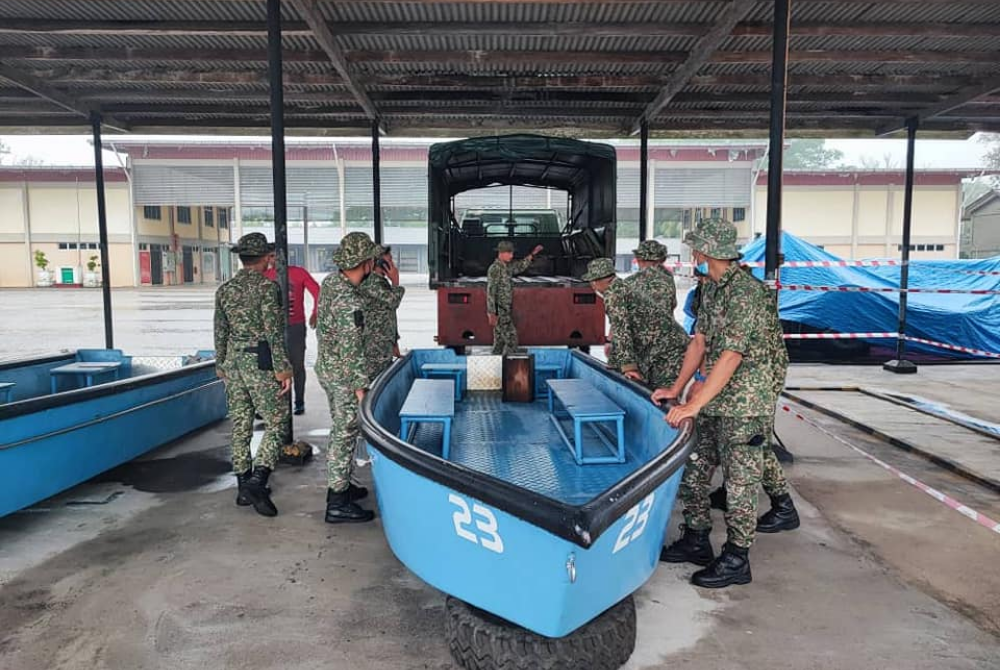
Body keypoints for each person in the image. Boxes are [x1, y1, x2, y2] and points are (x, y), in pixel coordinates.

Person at [651, 218, 793, 588]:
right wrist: (677, 388)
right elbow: (699, 342)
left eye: (695, 247)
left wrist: (694, 405)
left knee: (740, 483)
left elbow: (731, 355)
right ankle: (697, 538)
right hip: (715, 397)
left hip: (746, 402)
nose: (692, 253)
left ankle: (736, 558)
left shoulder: (746, 293)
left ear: (706, 251)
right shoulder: (711, 288)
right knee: (694, 470)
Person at [213, 232, 292, 518]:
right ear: (264, 258)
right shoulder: (267, 288)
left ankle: (243, 486)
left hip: (233, 362)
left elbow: (220, 331)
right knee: (277, 421)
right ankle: (258, 482)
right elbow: (274, 332)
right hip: (259, 361)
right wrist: (283, 369)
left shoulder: (225, 290)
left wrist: (221, 364)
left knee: (241, 424)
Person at [316, 231, 382, 524]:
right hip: (344, 376)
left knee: (345, 432)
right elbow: (351, 347)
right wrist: (361, 389)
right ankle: (337, 503)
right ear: (366, 263)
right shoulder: (348, 301)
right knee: (344, 434)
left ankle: (342, 484)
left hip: (329, 369)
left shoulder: (332, 282)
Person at [622, 240, 691, 388]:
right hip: (670, 350)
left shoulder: (627, 283)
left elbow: (620, 322)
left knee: (638, 392)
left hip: (639, 350)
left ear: (639, 260)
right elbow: (670, 310)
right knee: (666, 395)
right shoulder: (668, 279)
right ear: (663, 260)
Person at [264, 247, 320, 416]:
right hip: (272, 328)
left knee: (297, 365)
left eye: (275, 256)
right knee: (273, 365)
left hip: (296, 326)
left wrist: (315, 312)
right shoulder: (264, 276)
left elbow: (318, 292)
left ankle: (299, 401)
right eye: (270, 256)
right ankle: (278, 400)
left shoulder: (299, 273)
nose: (272, 260)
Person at [582, 258, 640, 379]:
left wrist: (628, 367)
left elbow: (621, 329)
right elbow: (618, 323)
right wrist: (613, 354)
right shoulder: (622, 286)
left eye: (592, 282)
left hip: (665, 351)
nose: (593, 287)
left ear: (598, 281)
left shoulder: (613, 294)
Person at [487, 240, 544, 356]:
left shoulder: (506, 267)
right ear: (501, 253)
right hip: (500, 310)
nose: (512, 256)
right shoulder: (495, 269)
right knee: (512, 339)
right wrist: (492, 312)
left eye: (512, 253)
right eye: (509, 253)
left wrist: (532, 254)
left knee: (500, 342)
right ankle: (509, 367)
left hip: (505, 309)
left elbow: (520, 266)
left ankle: (495, 367)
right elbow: (491, 291)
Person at [359, 245, 406, 380]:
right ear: (379, 263)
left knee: (383, 382)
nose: (393, 264)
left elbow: (389, 314)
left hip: (384, 344)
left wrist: (394, 342)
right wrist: (396, 282)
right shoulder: (371, 284)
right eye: (389, 261)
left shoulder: (382, 282)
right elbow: (392, 302)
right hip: (374, 347)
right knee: (374, 385)